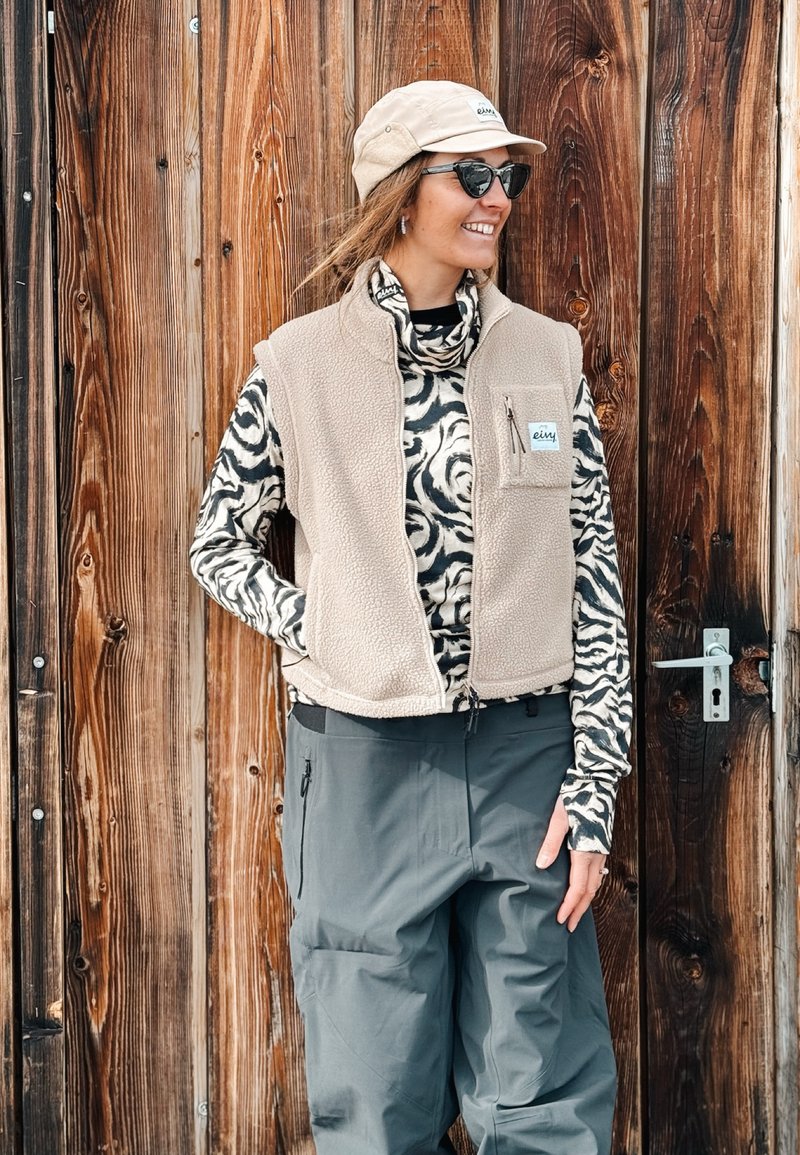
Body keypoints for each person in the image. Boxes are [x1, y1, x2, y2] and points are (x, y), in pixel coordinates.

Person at [190, 79, 633, 1155]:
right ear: (400, 197)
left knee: (541, 1091)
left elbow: (592, 577)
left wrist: (593, 781)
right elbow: (217, 542)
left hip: (527, 758)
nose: (497, 199)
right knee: (373, 1094)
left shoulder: (545, 358)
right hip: (361, 767)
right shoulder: (296, 368)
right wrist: (321, 624)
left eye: (507, 177)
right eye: (469, 176)